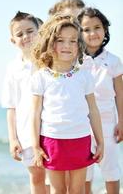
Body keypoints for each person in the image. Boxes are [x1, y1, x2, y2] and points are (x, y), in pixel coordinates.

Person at [30, 14, 104, 194]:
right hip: (52, 140)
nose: (67, 45)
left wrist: (100, 141)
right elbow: (35, 113)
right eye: (61, 40)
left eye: (72, 41)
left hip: (80, 138)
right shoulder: (41, 77)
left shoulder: (84, 76)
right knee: (58, 189)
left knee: (77, 189)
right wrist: (35, 146)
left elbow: (93, 111)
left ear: (78, 46)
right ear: (49, 43)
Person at [1, 11, 49, 194]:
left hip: (51, 129)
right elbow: (11, 106)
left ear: (40, 31)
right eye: (19, 34)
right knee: (36, 177)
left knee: (57, 177)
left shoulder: (49, 61)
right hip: (26, 132)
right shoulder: (13, 68)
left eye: (30, 31)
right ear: (13, 40)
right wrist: (13, 139)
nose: (26, 37)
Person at [78, 7, 123, 194]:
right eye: (86, 29)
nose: (92, 33)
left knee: (111, 171)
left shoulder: (113, 61)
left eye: (97, 27)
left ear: (105, 30)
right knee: (84, 174)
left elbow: (120, 94)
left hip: (107, 125)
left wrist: (122, 121)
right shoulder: (76, 62)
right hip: (82, 126)